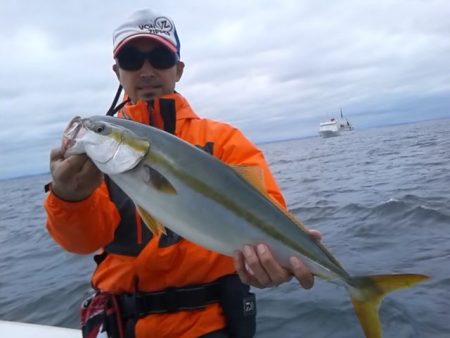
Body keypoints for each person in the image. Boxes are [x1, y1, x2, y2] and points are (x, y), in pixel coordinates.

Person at [45, 9, 320, 338]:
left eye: (160, 57)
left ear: (178, 69)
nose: (146, 71)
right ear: (118, 72)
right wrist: (69, 197)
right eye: (132, 59)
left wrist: (276, 259)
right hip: (126, 326)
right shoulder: (98, 161)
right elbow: (82, 241)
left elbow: (268, 213)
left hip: (212, 324)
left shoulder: (224, 141)